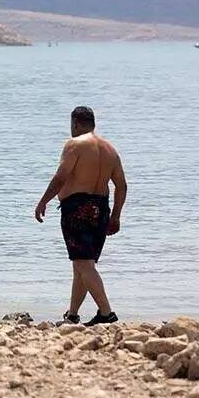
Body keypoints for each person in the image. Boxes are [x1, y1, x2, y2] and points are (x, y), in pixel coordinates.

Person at [34, 106, 127, 326]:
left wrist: (43, 201)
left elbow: (60, 177)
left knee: (84, 264)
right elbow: (122, 185)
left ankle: (106, 313)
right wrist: (116, 216)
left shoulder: (74, 144)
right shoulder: (111, 150)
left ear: (75, 123)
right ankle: (73, 315)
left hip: (77, 209)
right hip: (101, 209)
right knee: (82, 265)